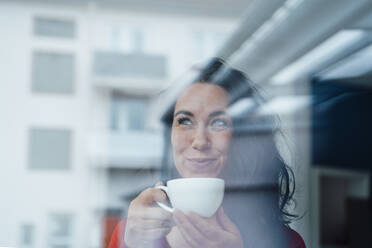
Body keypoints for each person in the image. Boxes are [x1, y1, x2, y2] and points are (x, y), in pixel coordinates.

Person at [108, 58, 306, 248]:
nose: (200, 141)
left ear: (244, 139)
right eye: (184, 121)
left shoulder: (286, 243)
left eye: (219, 123)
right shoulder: (132, 235)